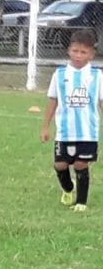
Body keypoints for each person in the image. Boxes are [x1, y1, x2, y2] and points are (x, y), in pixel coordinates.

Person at [40, 29, 103, 213]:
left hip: (87, 131)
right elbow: (53, 100)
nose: (78, 55)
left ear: (91, 54)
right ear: (69, 50)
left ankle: (81, 202)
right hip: (64, 131)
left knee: (80, 164)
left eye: (83, 52)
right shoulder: (59, 74)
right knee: (60, 165)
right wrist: (45, 126)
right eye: (75, 50)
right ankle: (68, 188)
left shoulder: (97, 76)